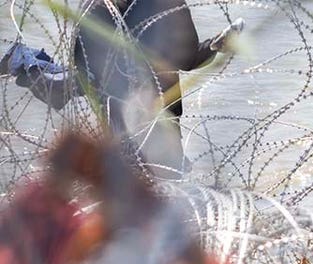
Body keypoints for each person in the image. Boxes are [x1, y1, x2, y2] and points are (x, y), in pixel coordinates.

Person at [1, 0, 243, 176]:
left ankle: (27, 64)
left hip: (158, 127)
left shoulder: (167, 6)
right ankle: (26, 64)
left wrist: (215, 46)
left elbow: (187, 58)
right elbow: (86, 77)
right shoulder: (95, 12)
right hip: (126, 133)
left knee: (164, 196)